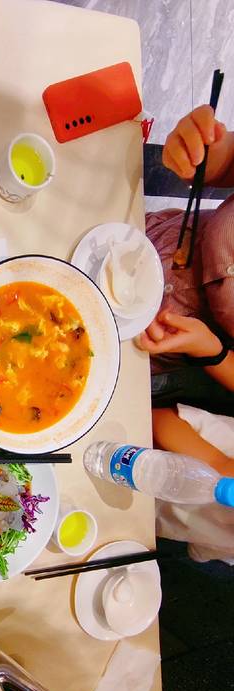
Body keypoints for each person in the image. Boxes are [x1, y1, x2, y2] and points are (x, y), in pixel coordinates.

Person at [137, 105, 234, 562]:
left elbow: (162, 421)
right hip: (151, 242)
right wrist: (205, 155)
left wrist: (210, 350)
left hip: (170, 340)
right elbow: (224, 162)